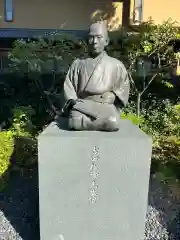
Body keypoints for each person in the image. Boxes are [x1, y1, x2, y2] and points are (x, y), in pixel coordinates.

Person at [60, 21, 130, 131]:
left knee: (113, 122)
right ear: (87, 41)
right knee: (74, 121)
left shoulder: (116, 65)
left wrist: (113, 95)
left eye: (99, 37)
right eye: (91, 38)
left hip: (104, 106)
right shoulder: (78, 63)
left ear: (106, 41)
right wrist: (73, 101)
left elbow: (123, 87)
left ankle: (93, 122)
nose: (94, 42)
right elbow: (69, 86)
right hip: (82, 105)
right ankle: (94, 122)